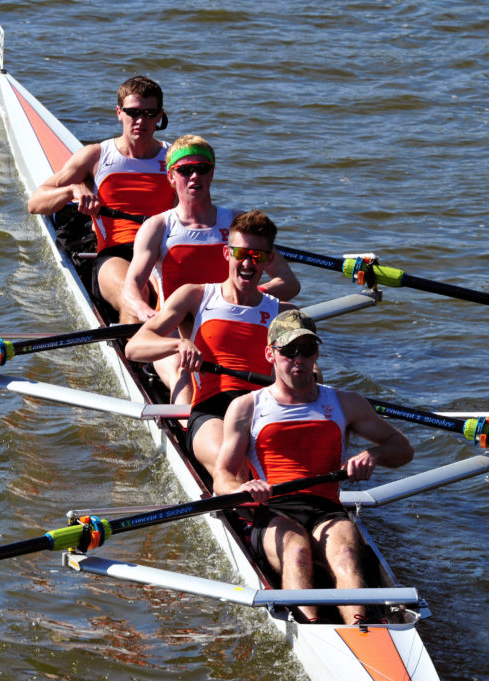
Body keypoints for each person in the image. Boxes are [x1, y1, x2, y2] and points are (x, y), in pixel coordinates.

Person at [213, 309, 415, 625]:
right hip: (276, 508)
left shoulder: (345, 402)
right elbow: (221, 478)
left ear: (316, 354)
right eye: (289, 350)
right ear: (270, 353)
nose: (298, 359)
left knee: (347, 556)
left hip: (327, 509)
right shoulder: (247, 407)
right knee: (297, 553)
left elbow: (402, 449)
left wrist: (372, 456)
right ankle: (311, 629)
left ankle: (361, 630)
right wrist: (244, 488)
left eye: (306, 350)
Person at [122, 135, 300, 402]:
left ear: (212, 173)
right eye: (185, 170)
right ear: (171, 176)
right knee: (185, 376)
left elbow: (289, 282)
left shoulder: (240, 225)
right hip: (175, 326)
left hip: (228, 323)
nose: (194, 176)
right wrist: (143, 311)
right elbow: (132, 286)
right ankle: (184, 417)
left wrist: (236, 297)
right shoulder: (158, 227)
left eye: (202, 169)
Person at [125, 209, 292, 472]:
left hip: (261, 411)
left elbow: (307, 368)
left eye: (256, 256)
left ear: (268, 260)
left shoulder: (282, 313)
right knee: (236, 467)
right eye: (240, 254)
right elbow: (134, 347)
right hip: (211, 410)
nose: (247, 263)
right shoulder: (196, 296)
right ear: (227, 254)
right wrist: (178, 344)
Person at [27, 75, 176, 322]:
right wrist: (72, 191)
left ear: (160, 116)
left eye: (149, 114)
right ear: (119, 113)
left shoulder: (174, 159)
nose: (141, 120)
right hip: (116, 254)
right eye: (133, 113)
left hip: (164, 250)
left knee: (178, 301)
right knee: (137, 294)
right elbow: (35, 202)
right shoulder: (96, 156)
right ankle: (137, 356)